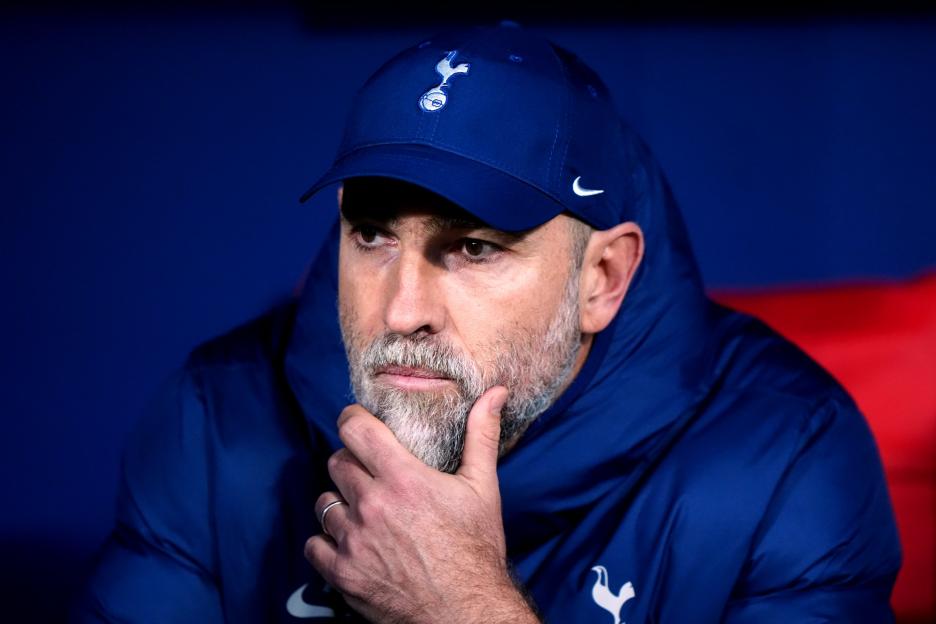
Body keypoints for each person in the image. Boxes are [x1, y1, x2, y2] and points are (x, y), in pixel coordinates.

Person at [72, 20, 902, 623]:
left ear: (602, 278)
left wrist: (464, 607)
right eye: (372, 235)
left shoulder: (790, 454)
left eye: (473, 248)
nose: (403, 312)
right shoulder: (216, 422)